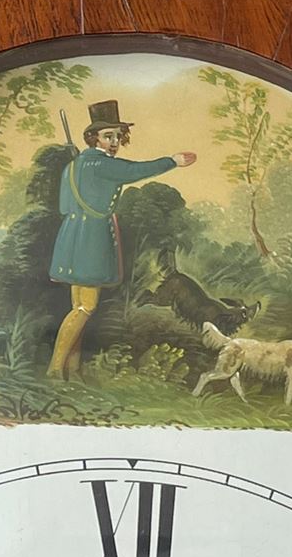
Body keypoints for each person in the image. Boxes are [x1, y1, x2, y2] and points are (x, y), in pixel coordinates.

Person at [47, 99, 196, 378]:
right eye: (108, 136)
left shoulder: (74, 166)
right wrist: (173, 161)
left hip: (71, 236)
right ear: (93, 138)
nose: (114, 142)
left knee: (79, 308)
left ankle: (72, 369)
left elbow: (65, 207)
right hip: (91, 238)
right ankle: (55, 370)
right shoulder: (102, 164)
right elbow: (134, 171)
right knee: (86, 307)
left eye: (118, 136)